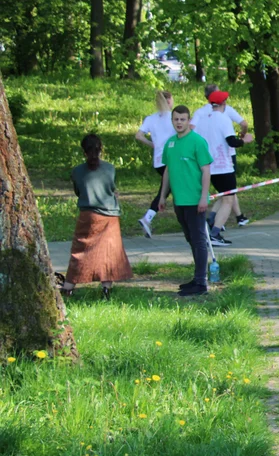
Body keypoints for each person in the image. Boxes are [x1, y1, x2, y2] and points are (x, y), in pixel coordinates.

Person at [60, 134, 133, 300]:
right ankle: (106, 288)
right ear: (101, 150)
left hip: (88, 214)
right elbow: (111, 188)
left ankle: (69, 285)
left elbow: (78, 191)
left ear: (84, 152)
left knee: (80, 250)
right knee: (109, 252)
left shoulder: (77, 171)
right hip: (110, 216)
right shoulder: (110, 168)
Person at [158, 105, 213, 297]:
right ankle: (197, 277)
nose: (179, 123)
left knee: (199, 239)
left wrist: (203, 197)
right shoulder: (170, 143)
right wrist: (163, 195)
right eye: (176, 119)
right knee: (190, 238)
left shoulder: (198, 142)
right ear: (172, 121)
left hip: (195, 200)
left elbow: (206, 170)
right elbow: (168, 171)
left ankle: (201, 282)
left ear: (189, 121)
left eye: (183, 119)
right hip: (179, 200)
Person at [194, 90, 254, 246]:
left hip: (208, 166)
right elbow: (231, 142)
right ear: (224, 104)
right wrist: (245, 140)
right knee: (229, 199)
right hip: (223, 166)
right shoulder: (224, 119)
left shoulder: (202, 119)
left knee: (223, 195)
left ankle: (210, 221)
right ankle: (215, 233)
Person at [135, 90, 176, 238]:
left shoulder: (151, 119)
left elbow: (138, 135)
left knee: (168, 188)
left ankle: (149, 217)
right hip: (172, 158)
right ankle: (148, 217)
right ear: (170, 100)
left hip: (158, 160)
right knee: (167, 189)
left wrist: (152, 144)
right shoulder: (174, 118)